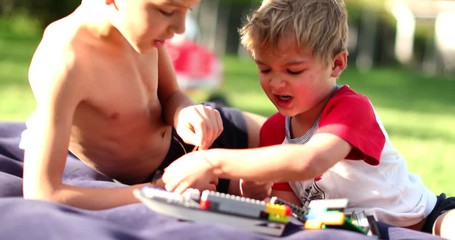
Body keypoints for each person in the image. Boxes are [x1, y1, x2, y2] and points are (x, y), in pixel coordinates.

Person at [161, 0, 455, 238]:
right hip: (352, 230)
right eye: (265, 69)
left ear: (336, 64)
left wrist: (211, 161)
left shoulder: (350, 108)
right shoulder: (275, 130)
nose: (276, 83)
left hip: (425, 219)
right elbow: (289, 212)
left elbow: (309, 161)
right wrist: (254, 190)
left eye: (293, 71)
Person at [21, 0, 265, 210]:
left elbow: (171, 95)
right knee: (279, 191)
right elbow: (43, 192)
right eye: (167, 11)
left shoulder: (140, 34)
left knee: (298, 138)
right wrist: (160, 191)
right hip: (172, 178)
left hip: (212, 132)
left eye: (186, 12)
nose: (180, 29)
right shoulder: (65, 62)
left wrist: (184, 111)